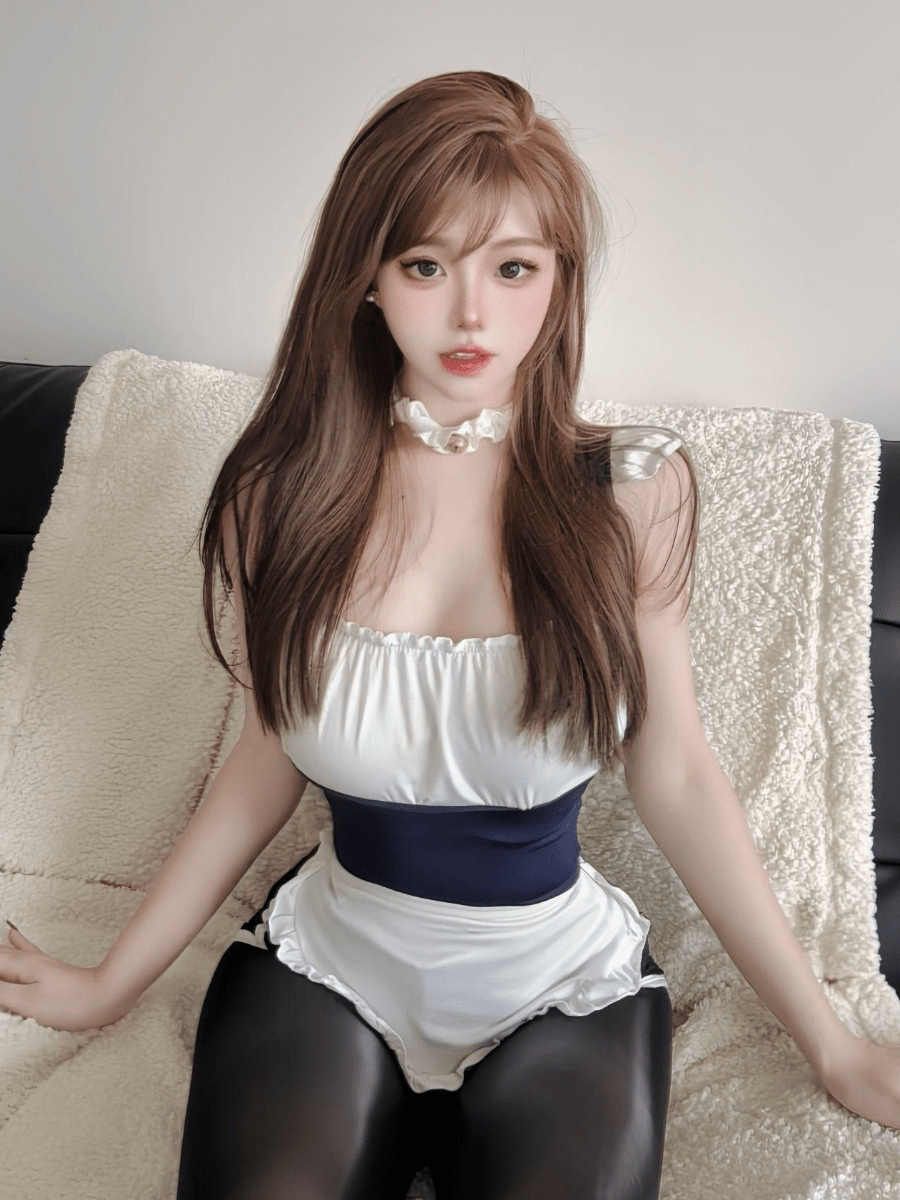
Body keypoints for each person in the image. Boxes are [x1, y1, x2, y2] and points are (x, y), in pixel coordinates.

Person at [2, 69, 899, 1200]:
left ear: (559, 285)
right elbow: (265, 758)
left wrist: (833, 1045)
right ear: (367, 279)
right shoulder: (281, 497)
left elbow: (677, 771)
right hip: (328, 968)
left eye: (513, 269)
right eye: (426, 265)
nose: (471, 316)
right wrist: (107, 984)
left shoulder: (634, 491)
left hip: (559, 987)